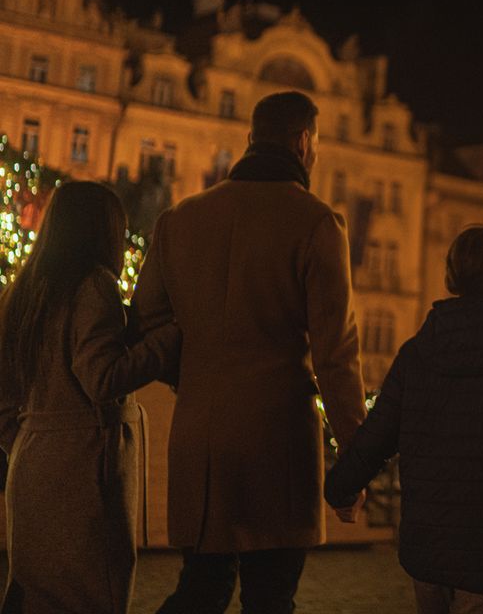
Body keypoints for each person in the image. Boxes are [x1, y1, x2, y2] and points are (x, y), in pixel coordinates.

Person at [131, 91, 366, 614]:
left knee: (201, 588)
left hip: (200, 436)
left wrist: (191, 374)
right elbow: (336, 354)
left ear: (251, 140)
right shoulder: (317, 223)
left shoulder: (179, 220)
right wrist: (356, 455)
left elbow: (147, 322)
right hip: (277, 439)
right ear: (304, 142)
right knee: (271, 597)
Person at [325, 224, 483, 614]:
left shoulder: (417, 354)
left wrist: (342, 489)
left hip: (427, 544)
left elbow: (377, 434)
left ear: (451, 278)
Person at [0, 181, 180, 613]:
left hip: (32, 466)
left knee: (37, 598)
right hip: (84, 472)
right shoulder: (94, 286)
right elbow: (102, 377)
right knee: (92, 594)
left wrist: (24, 441)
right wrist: (169, 340)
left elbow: (4, 395)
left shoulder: (24, 290)